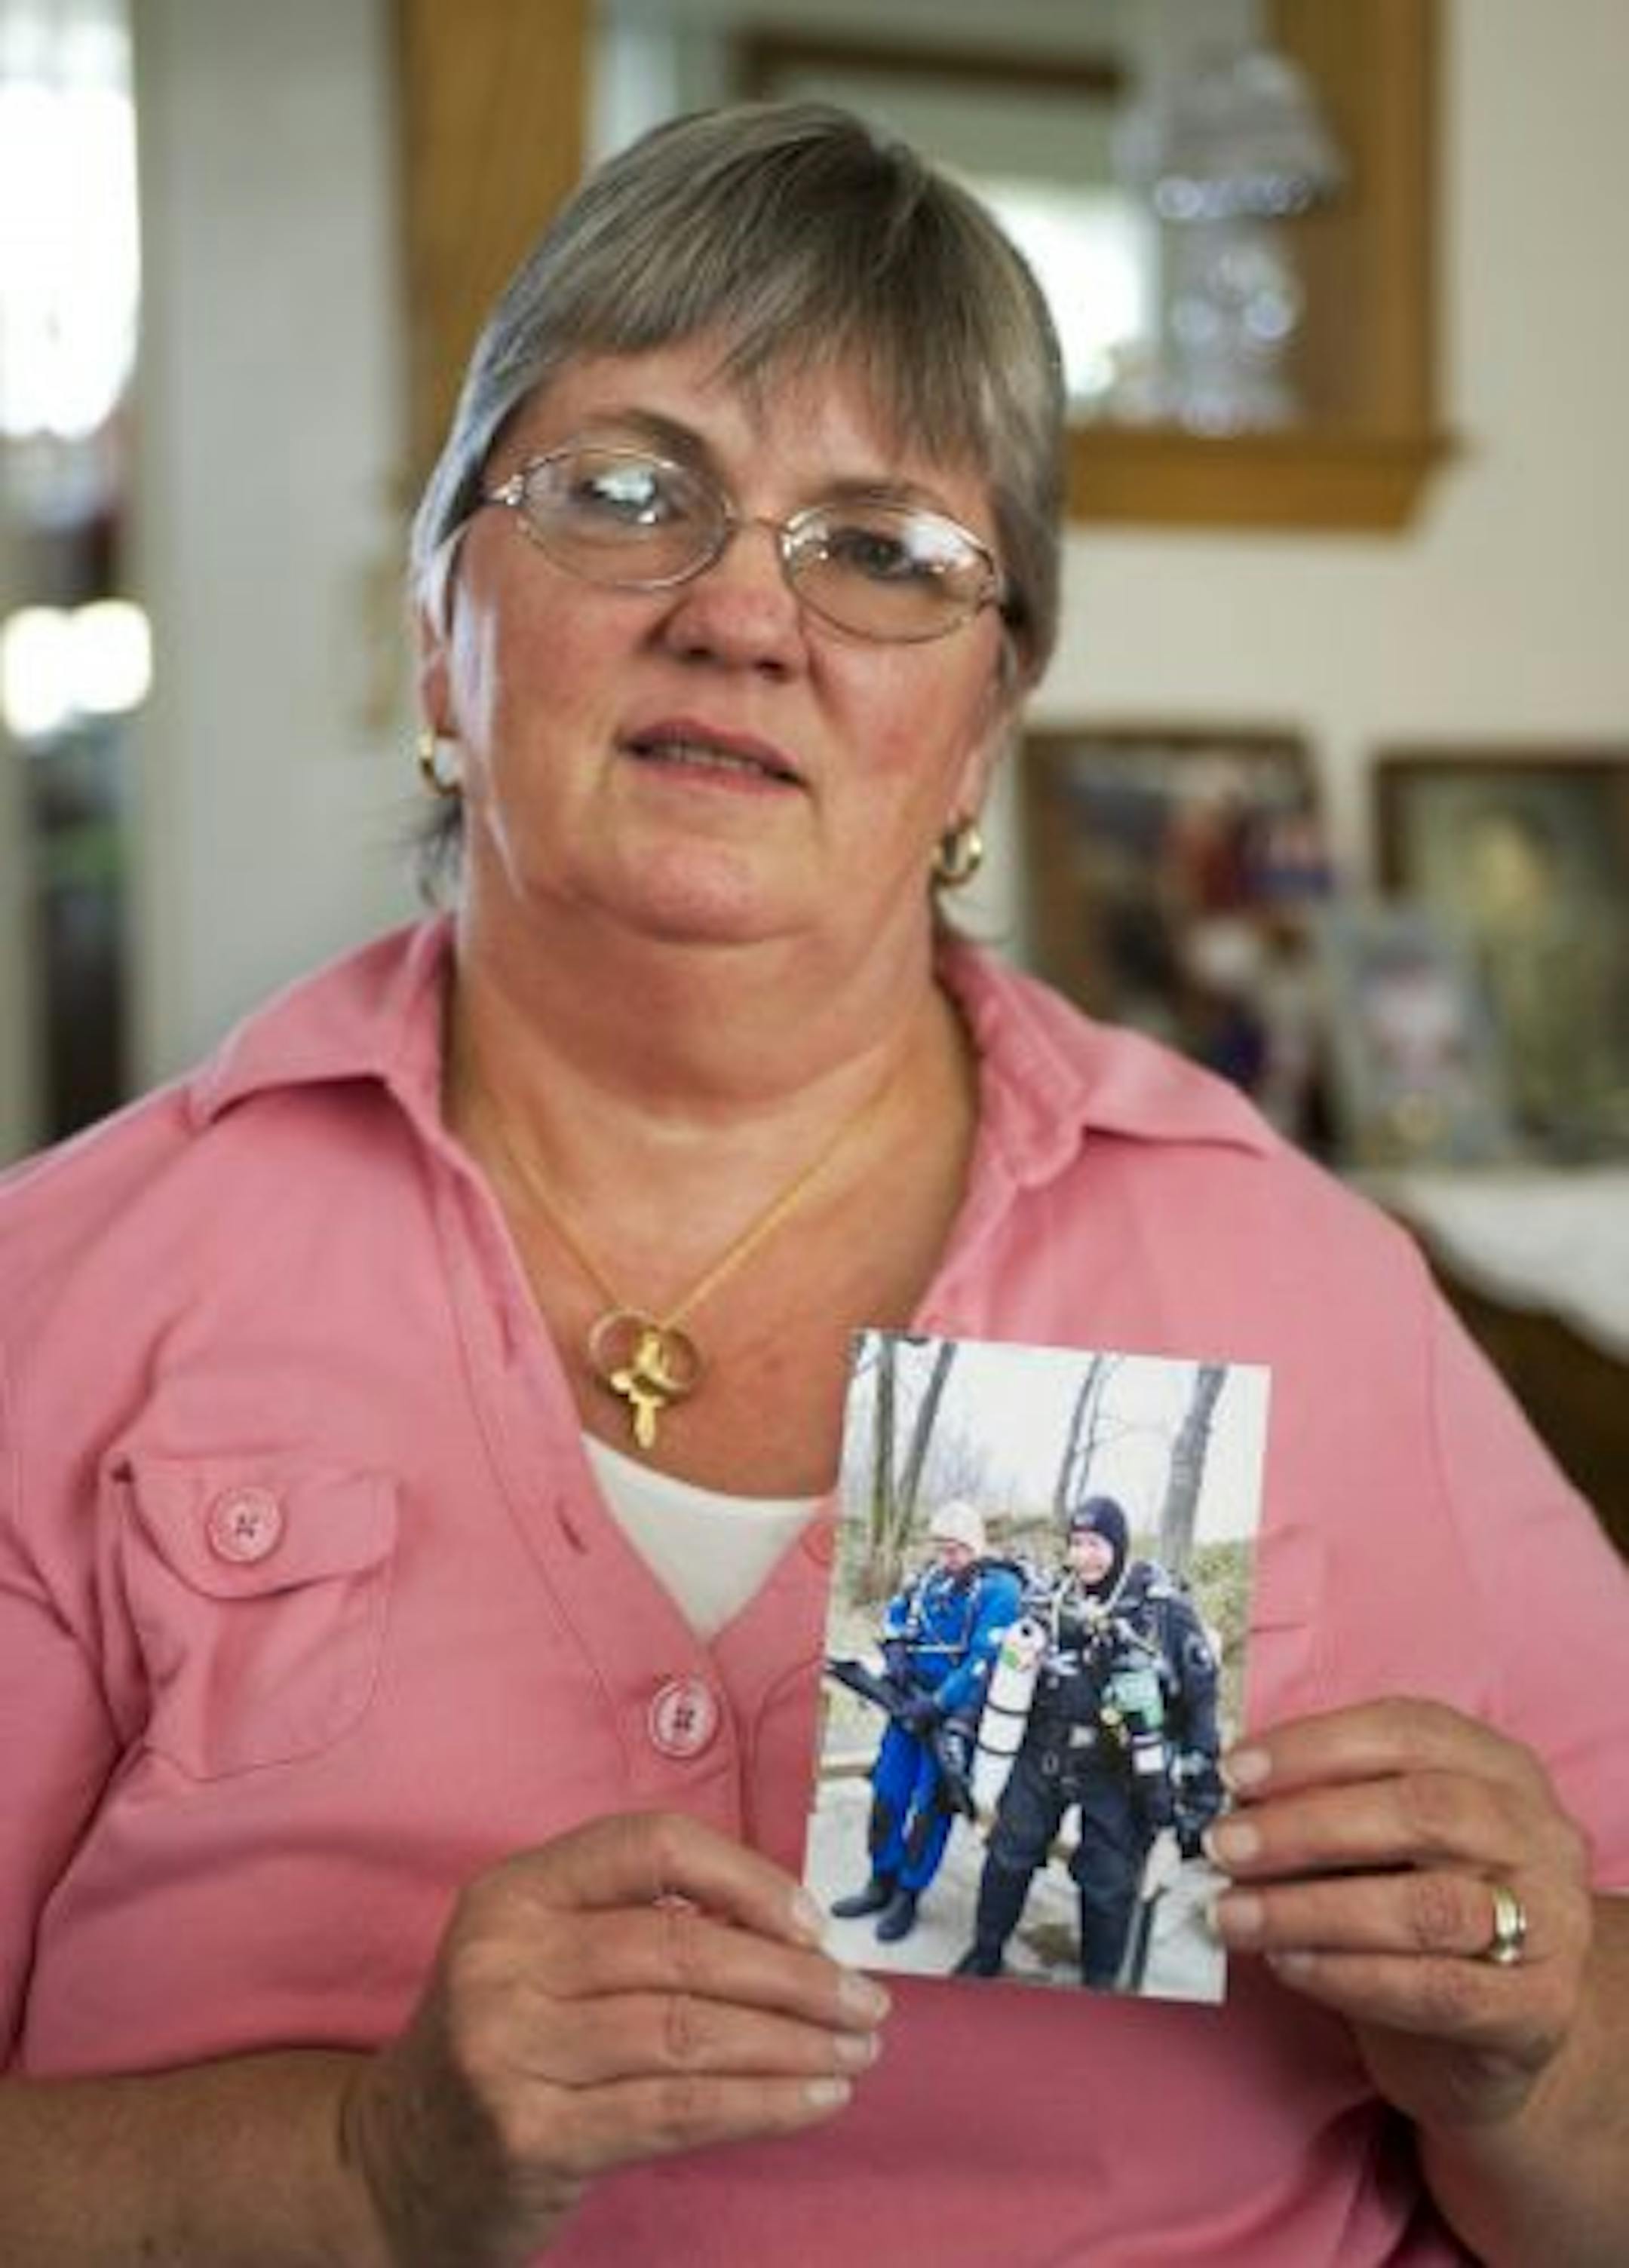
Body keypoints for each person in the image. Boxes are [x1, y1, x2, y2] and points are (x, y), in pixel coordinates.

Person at [0, 100, 1624, 2268]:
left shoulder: (1299, 1275)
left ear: (981, 731)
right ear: (434, 630)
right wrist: (359, 2167)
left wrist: (1539, 2040)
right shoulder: (71, 1295)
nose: (743, 615)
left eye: (884, 550)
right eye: (626, 492)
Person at [955, 1496, 1222, 1988]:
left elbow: (1201, 1703)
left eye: (1096, 1544)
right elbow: (1000, 1672)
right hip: (1044, 1752)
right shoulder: (1049, 1600)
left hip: (1116, 1765)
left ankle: (1100, 1983)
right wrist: (966, 1727)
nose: (1084, 1556)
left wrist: (1199, 1802)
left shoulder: (1160, 1612)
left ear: (1119, 1546)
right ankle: (985, 1951)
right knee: (1008, 1857)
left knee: (1108, 1882)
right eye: (1076, 1543)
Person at [830, 1498, 1023, 1943]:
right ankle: (880, 1880)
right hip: (907, 1704)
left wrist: (937, 1705)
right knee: (888, 1793)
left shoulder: (1000, 1591)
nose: (946, 1558)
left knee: (929, 1810)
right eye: (941, 1548)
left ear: (975, 1545)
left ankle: (908, 1893)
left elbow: (982, 1661)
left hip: (951, 1717)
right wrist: (896, 1650)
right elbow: (898, 1614)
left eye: (956, 1549)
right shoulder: (931, 1579)